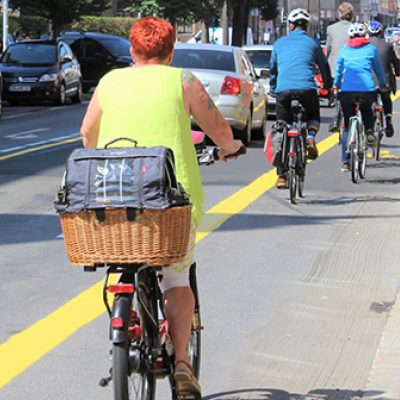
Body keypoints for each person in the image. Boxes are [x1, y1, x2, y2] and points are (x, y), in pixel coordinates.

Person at [80, 17, 244, 396]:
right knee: (175, 279)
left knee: (125, 259)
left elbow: (87, 134)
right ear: (171, 51)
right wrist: (230, 146)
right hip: (171, 200)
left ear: (133, 51)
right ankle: (183, 364)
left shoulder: (108, 82)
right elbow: (218, 129)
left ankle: (129, 320)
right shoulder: (182, 80)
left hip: (115, 197)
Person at [269, 8, 333, 189]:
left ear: (290, 25)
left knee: (282, 127)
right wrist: (327, 86)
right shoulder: (313, 44)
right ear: (306, 26)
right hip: (307, 89)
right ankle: (311, 137)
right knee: (313, 115)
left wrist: (274, 88)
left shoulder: (280, 43)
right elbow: (324, 67)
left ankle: (281, 176)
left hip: (284, 90)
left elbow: (273, 67)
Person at [333, 22, 387, 172]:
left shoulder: (344, 50)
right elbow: (378, 70)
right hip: (366, 90)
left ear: (350, 36)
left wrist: (336, 86)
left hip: (347, 90)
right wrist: (383, 84)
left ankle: (345, 162)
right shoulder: (371, 49)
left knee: (347, 126)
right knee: (367, 110)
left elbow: (338, 72)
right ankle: (369, 131)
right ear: (364, 35)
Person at [326, 2, 355, 134]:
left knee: (337, 89)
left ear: (339, 14)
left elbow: (329, 48)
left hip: (335, 67)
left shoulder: (331, 29)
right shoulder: (355, 28)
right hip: (352, 68)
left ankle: (336, 114)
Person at [368, 20, 400, 137]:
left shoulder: (365, 45)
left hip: (368, 82)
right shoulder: (388, 46)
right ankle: (388, 121)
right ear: (381, 32)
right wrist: (398, 72)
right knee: (386, 99)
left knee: (367, 104)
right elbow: (395, 62)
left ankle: (369, 128)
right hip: (385, 81)